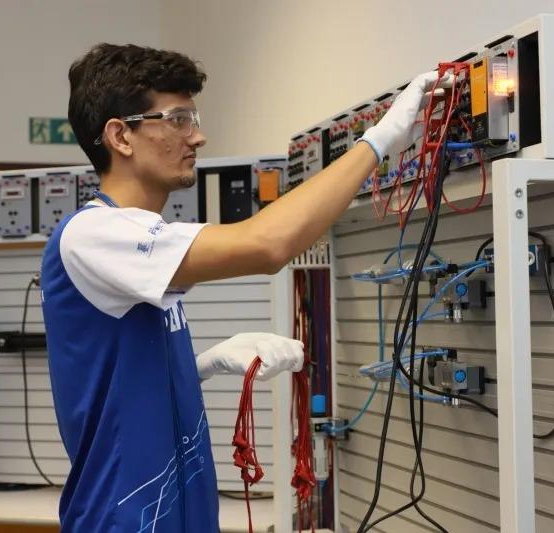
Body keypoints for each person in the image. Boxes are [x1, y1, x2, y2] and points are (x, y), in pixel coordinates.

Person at [40, 43, 445, 532]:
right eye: (178, 119)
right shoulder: (93, 233)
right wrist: (377, 142)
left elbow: (116, 388)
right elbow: (268, 245)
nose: (198, 136)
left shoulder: (133, 241)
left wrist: (201, 366)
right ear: (121, 136)